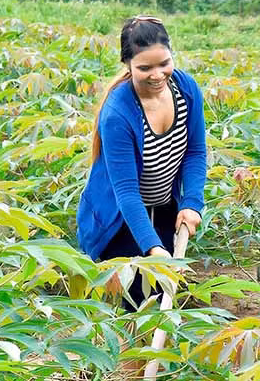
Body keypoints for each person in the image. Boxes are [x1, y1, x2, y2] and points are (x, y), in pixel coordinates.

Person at [77, 16, 207, 310]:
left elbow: (196, 152)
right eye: (144, 68)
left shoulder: (186, 89)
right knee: (138, 301)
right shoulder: (118, 114)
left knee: (171, 294)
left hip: (162, 204)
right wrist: (153, 248)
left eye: (164, 63)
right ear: (128, 65)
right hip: (119, 219)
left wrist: (191, 203)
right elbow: (126, 194)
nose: (157, 74)